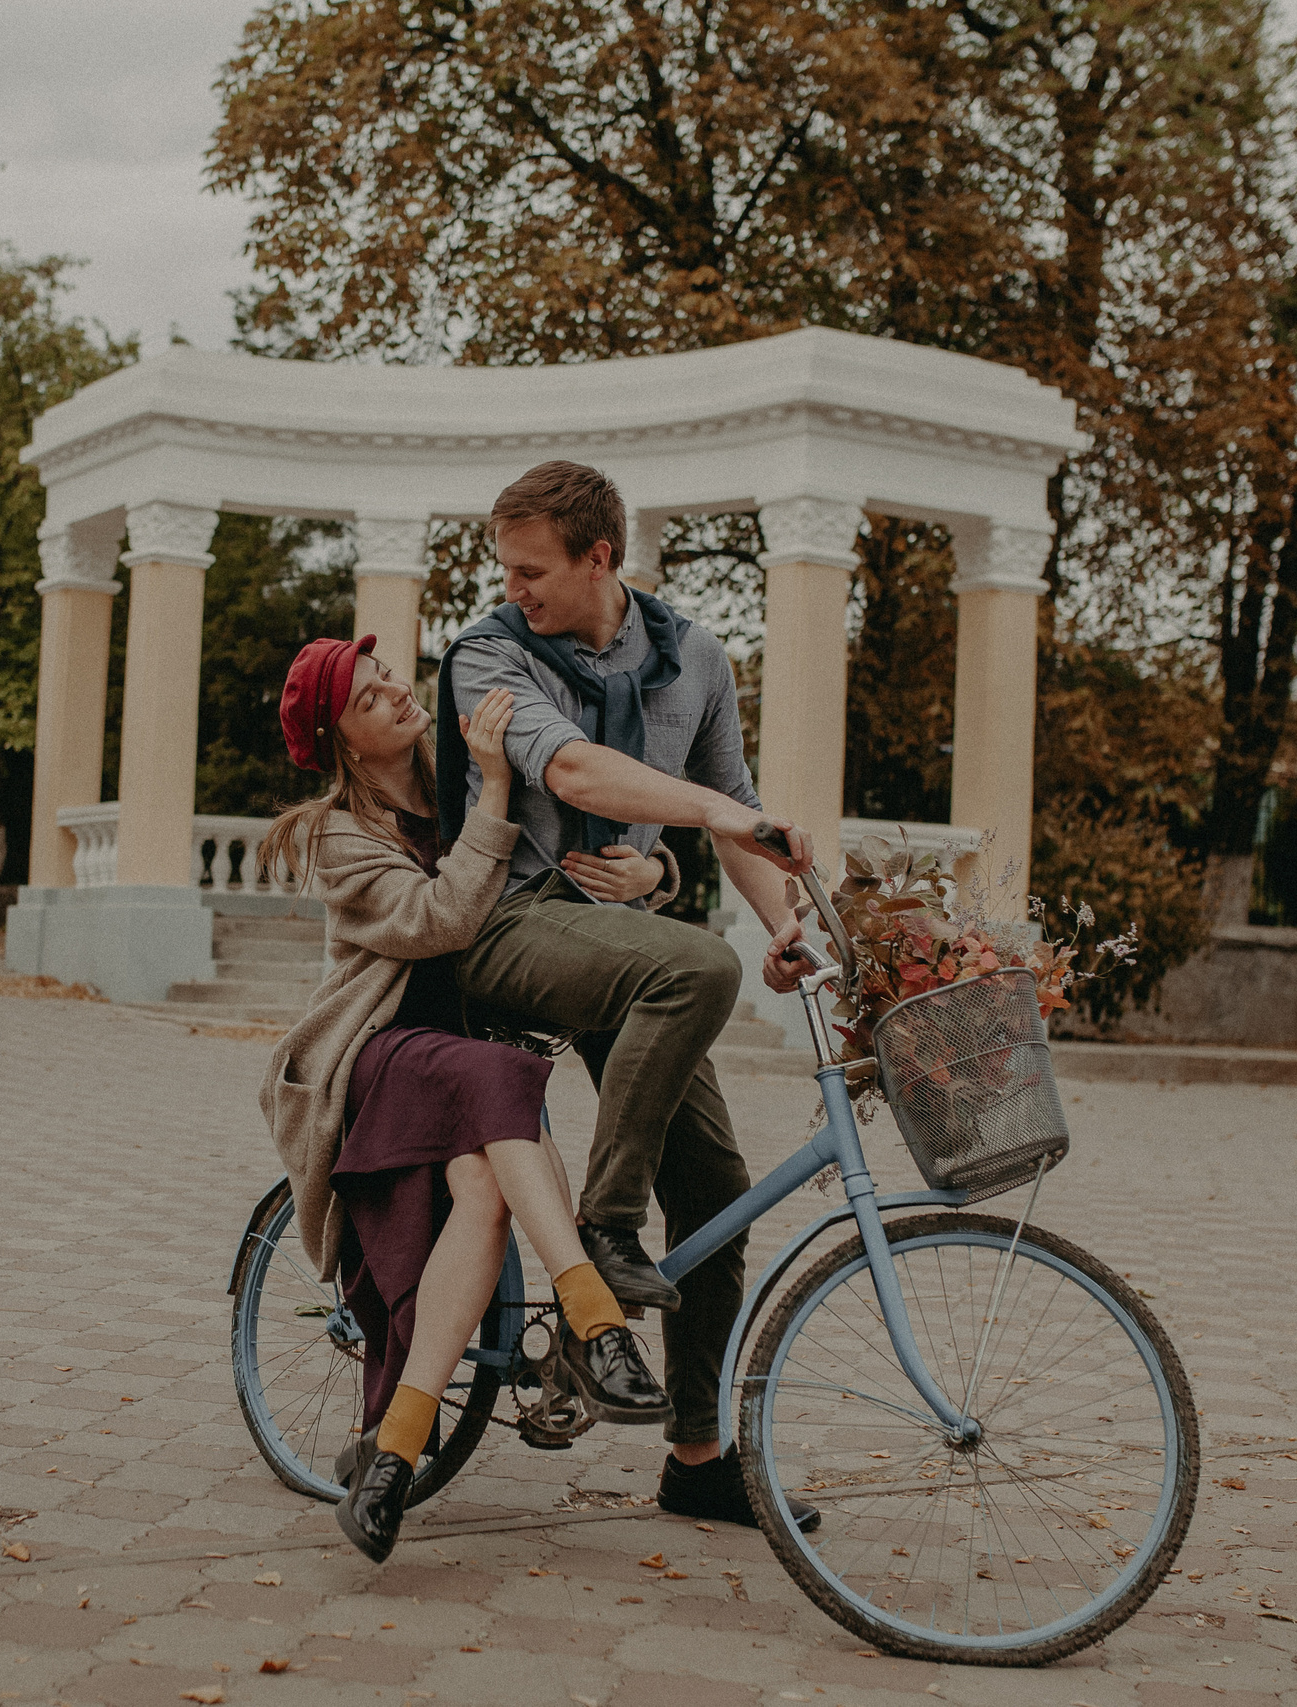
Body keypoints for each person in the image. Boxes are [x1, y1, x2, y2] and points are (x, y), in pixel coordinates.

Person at [432, 460, 821, 1532]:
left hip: (620, 946)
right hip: (507, 928)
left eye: (532, 571)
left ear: (600, 557)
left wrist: (784, 919)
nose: (515, 589)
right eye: (506, 571)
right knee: (694, 963)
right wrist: (717, 827)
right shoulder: (489, 652)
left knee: (719, 1192)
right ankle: (599, 1250)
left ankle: (696, 1459)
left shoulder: (692, 655)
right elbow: (574, 777)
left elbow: (733, 809)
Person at [258, 633, 674, 1563]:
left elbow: (575, 860)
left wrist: (659, 872)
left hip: (472, 1059)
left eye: (389, 676)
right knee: (503, 1078)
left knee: (486, 1186)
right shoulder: (337, 831)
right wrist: (492, 791)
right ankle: (597, 1319)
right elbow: (440, 922)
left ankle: (392, 1458)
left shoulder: (458, 774)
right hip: (384, 1054)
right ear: (344, 742)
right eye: (370, 698)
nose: (398, 693)